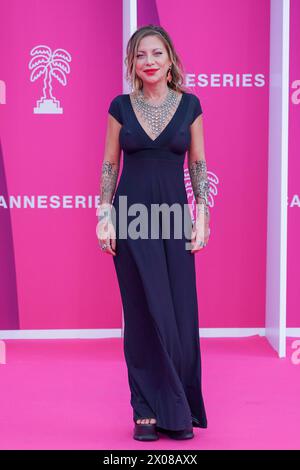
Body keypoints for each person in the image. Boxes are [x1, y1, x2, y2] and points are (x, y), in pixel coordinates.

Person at [96, 25, 210, 441]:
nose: (149, 61)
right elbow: (110, 164)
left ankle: (177, 409)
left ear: (170, 60)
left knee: (179, 314)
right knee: (142, 314)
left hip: (175, 218)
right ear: (132, 63)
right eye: (141, 55)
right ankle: (144, 409)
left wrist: (203, 217)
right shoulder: (120, 107)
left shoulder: (190, 106)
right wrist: (104, 215)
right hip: (132, 217)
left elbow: (198, 165)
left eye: (156, 53)